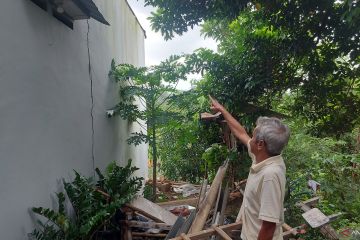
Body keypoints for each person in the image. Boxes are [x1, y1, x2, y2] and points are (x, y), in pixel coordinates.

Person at [209, 96, 290, 240]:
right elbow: (240, 133)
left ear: (260, 144)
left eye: (252, 136)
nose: (249, 139)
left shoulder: (270, 175)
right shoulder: (264, 156)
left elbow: (269, 226)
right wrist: (222, 110)